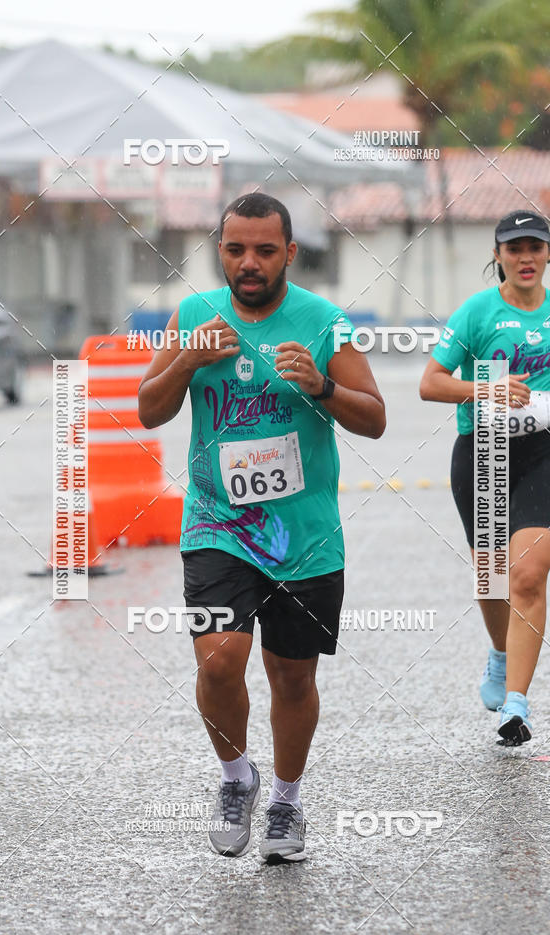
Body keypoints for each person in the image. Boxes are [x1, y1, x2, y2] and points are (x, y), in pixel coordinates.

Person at [138, 193, 386, 861]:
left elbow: (375, 418)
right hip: (216, 524)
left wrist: (322, 388)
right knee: (219, 662)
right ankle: (234, 777)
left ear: (289, 253)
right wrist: (186, 361)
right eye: (235, 249)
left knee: (292, 677)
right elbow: (148, 410)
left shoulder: (325, 323)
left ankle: (285, 801)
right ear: (219, 250)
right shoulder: (193, 316)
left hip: (303, 536)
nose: (249, 263)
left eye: (265, 251)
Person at [420, 210, 550, 746]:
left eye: (535, 246)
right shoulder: (477, 312)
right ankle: (498, 652)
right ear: (498, 256)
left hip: (548, 450)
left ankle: (516, 703)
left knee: (528, 575)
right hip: (484, 451)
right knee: (491, 577)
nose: (525, 257)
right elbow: (430, 383)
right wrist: (484, 389)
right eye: (514, 248)